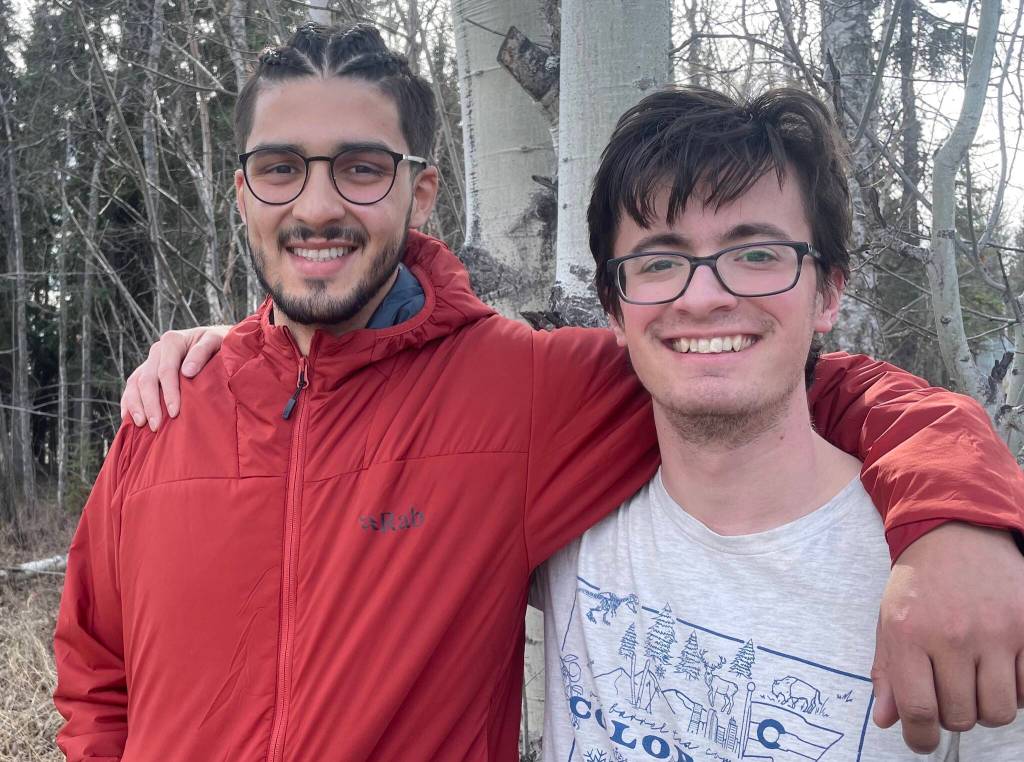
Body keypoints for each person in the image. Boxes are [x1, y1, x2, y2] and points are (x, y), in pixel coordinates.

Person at [59, 22, 1024, 762]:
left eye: (361, 169)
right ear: (242, 191)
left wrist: (959, 517)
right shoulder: (168, 409)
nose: (317, 205)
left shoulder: (522, 392)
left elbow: (776, 380)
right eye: (280, 170)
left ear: (421, 192)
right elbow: (96, 666)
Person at [532, 85, 1023, 761]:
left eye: (758, 255)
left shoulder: (962, 595)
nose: (704, 297)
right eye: (659, 263)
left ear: (827, 293)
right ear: (615, 308)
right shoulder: (562, 511)